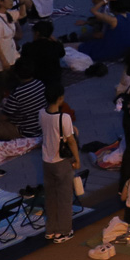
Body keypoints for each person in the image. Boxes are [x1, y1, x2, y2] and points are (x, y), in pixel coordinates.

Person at [38, 82, 79, 243]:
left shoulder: (41, 113)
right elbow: (71, 141)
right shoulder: (64, 117)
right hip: (61, 161)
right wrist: (77, 159)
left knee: (51, 197)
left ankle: (51, 229)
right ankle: (64, 231)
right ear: (60, 98)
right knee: (64, 197)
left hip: (46, 160)